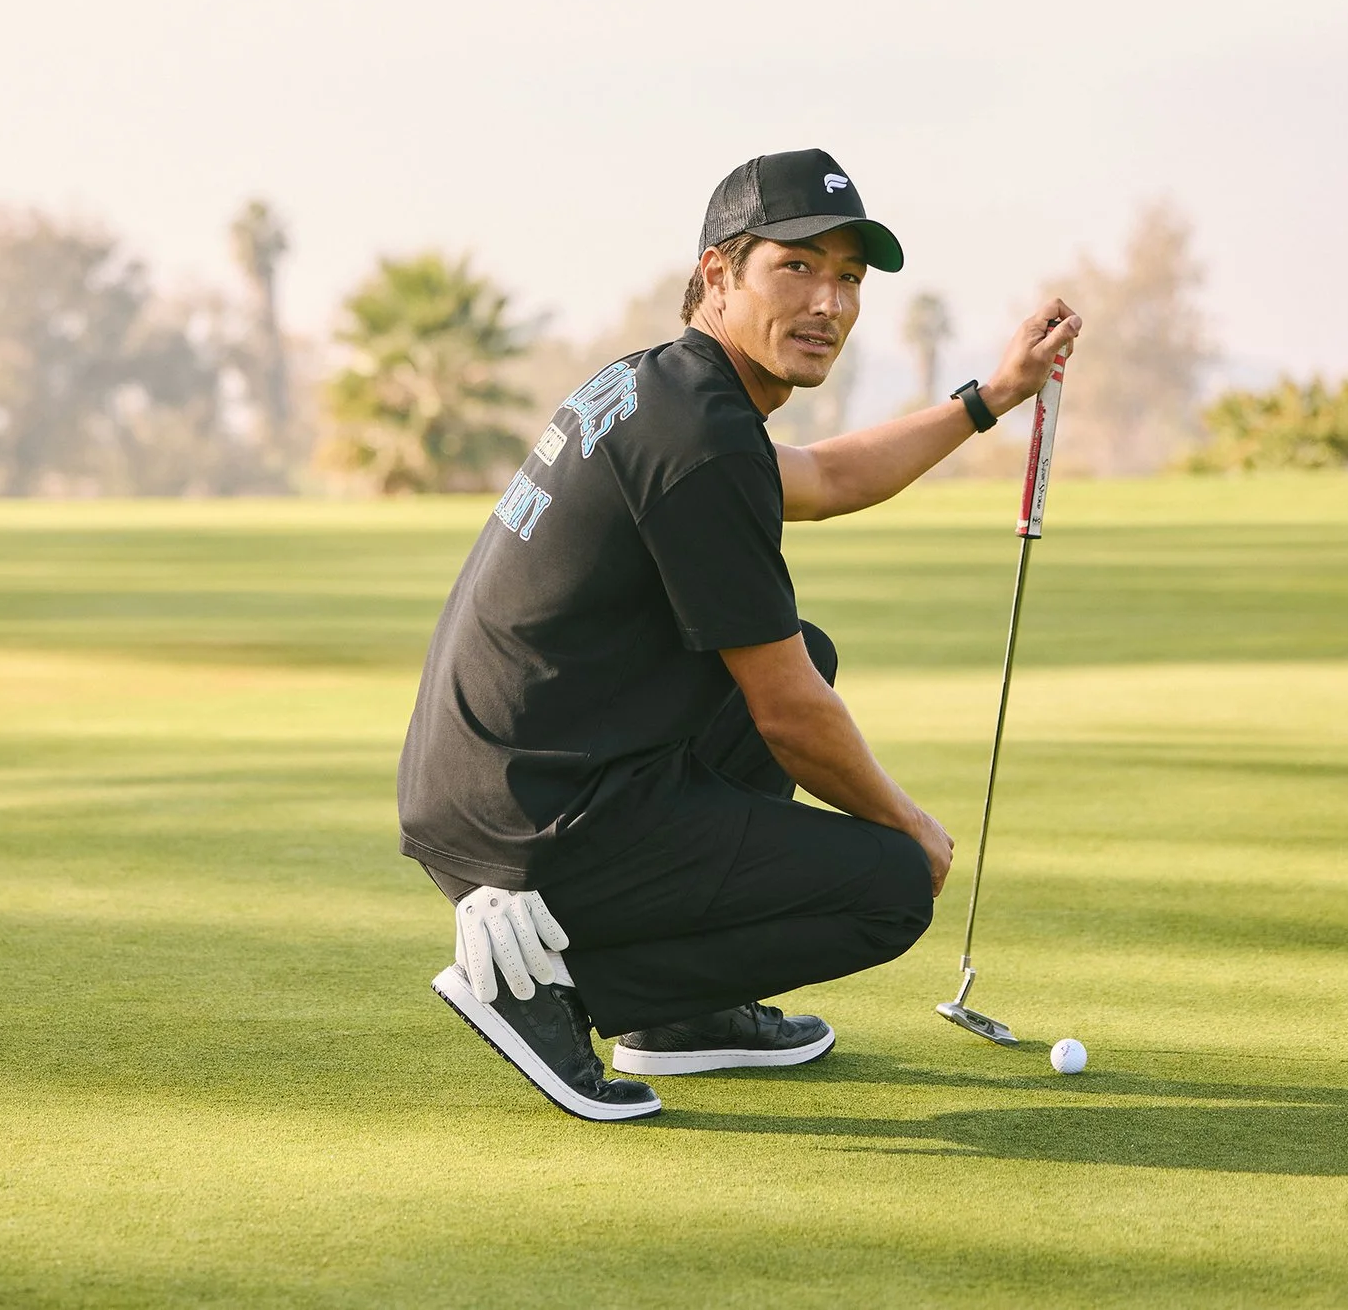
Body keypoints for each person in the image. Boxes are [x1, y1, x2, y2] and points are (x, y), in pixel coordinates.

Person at [397, 148, 1080, 1120]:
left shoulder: (665, 386)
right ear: (718, 273)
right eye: (795, 267)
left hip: (498, 777)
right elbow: (790, 712)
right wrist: (911, 828)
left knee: (814, 645)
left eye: (847, 276)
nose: (828, 302)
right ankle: (549, 987)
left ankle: (686, 1016)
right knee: (887, 884)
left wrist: (988, 397)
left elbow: (826, 477)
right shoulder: (700, 438)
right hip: (531, 818)